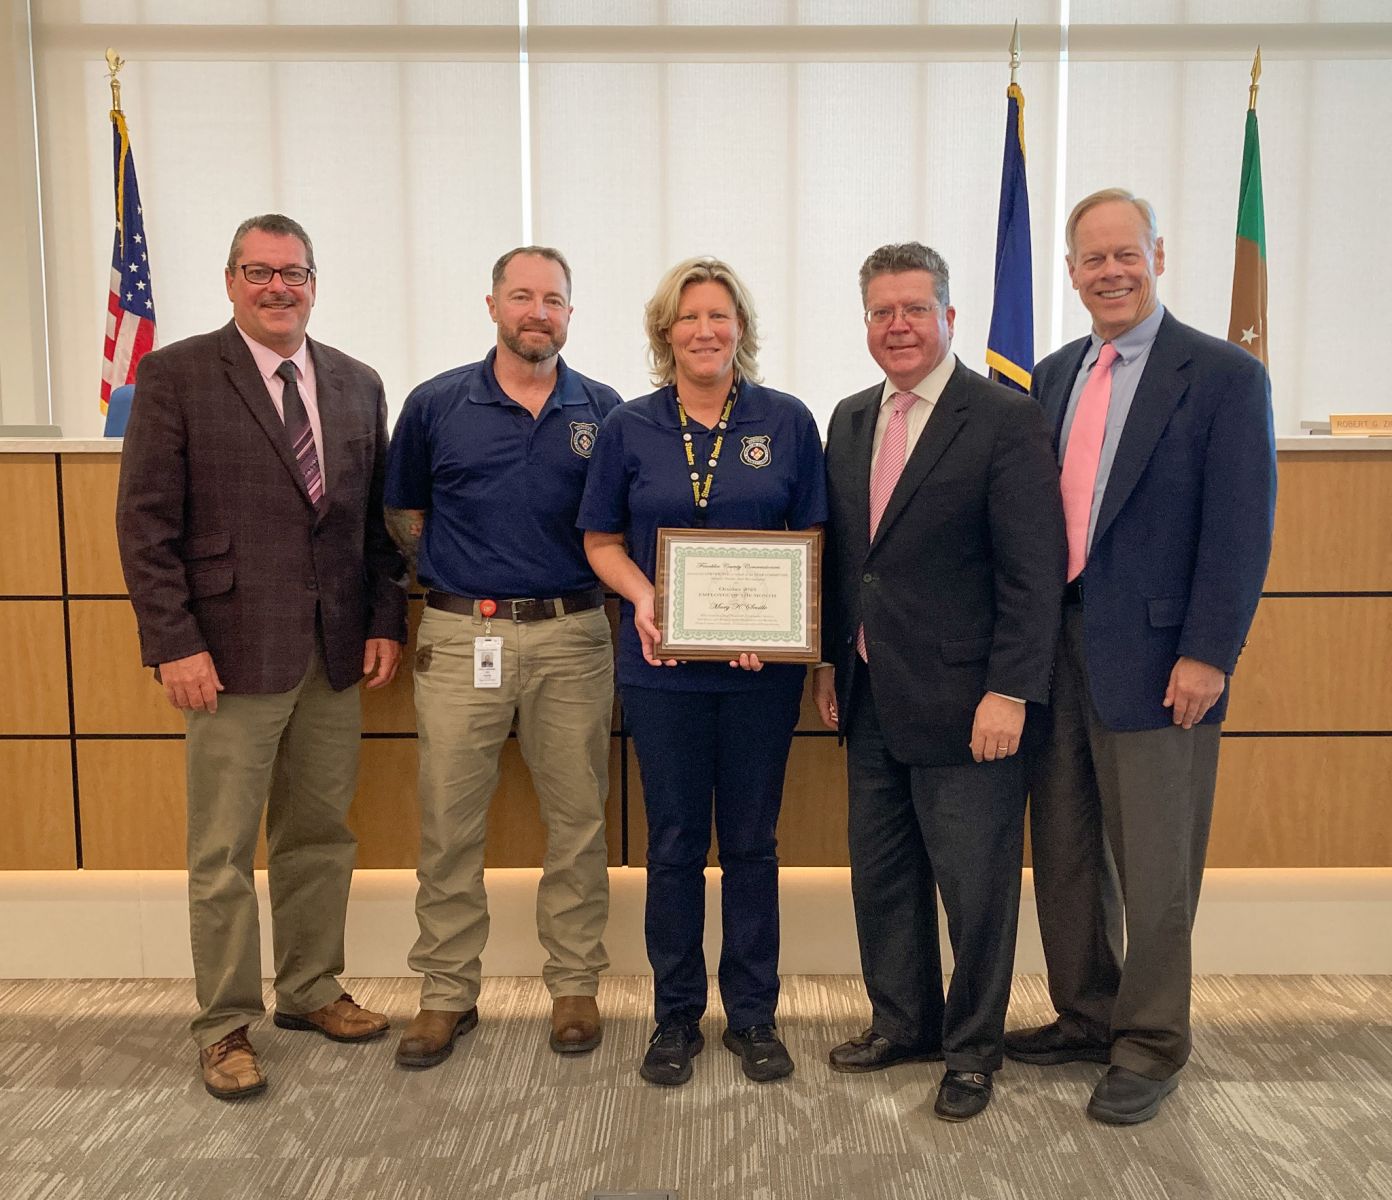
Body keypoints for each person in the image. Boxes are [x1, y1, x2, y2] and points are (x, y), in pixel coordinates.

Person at [115, 213, 407, 1101]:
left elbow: (371, 528)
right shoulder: (175, 376)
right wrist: (175, 644)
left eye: (294, 272)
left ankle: (312, 990)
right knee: (222, 851)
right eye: (259, 271)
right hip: (228, 655)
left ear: (315, 281)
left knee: (320, 834)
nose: (278, 287)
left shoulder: (358, 384)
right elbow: (145, 525)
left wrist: (383, 620)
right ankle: (225, 1025)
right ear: (232, 280)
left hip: (333, 655)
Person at [1005, 189, 1276, 1125]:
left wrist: (1209, 653)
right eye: (1093, 259)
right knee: (1069, 849)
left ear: (1159, 255)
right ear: (1072, 272)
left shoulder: (1223, 376)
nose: (1111, 272)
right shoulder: (1048, 376)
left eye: (1128, 253)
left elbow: (1241, 530)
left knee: (1157, 863)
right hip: (1057, 652)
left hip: (1165, 662)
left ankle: (1152, 1041)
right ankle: (1086, 1013)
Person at [816, 242, 1065, 1121]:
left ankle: (971, 1049)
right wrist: (827, 658)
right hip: (870, 693)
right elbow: (851, 561)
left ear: (949, 317)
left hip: (972, 704)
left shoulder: (1003, 418)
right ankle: (903, 1023)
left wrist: (1012, 690)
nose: (898, 325)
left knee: (975, 886)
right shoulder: (848, 419)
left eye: (914, 308)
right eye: (882, 311)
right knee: (881, 876)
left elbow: (1034, 573)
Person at [578, 257, 827, 1087]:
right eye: (689, 317)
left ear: (741, 329)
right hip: (660, 669)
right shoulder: (629, 427)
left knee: (753, 844)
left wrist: (785, 629)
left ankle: (754, 1016)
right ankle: (676, 1017)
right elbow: (600, 541)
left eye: (720, 315)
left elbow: (814, 542)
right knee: (675, 845)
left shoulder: (788, 421)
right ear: (665, 332)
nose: (705, 330)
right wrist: (646, 597)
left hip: (761, 677)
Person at [384, 246, 620, 1069]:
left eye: (553, 298)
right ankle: (446, 992)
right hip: (461, 639)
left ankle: (575, 985)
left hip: (575, 636)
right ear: (491, 305)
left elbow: (620, 526)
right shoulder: (436, 404)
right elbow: (404, 515)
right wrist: (465, 580)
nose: (537, 312)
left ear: (570, 312)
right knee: (448, 825)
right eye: (521, 296)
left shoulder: (607, 409)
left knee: (579, 821)